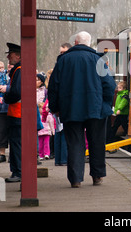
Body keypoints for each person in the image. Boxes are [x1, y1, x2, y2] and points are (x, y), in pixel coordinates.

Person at [48, 31, 116, 188]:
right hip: (96, 109)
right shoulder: (98, 60)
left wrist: (55, 108)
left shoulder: (63, 60)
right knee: (97, 142)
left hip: (71, 109)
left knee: (75, 144)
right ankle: (97, 176)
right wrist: (105, 104)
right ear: (89, 43)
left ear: (76, 42)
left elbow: (54, 86)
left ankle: (76, 179)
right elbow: (110, 85)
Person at [0, 43, 22, 182]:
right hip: (17, 113)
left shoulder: (19, 70)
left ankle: (18, 172)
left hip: (17, 113)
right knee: (16, 143)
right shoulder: (19, 69)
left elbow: (16, 92)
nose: (8, 57)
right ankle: (17, 171)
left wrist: (6, 96)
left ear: (18, 56)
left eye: (11, 54)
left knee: (16, 144)